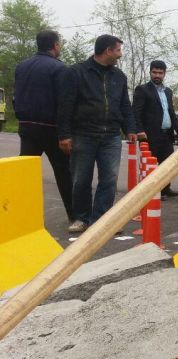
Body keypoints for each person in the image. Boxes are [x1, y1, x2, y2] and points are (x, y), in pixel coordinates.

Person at [57, 34, 137, 233]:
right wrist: (64, 134)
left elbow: (125, 105)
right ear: (108, 50)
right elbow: (65, 105)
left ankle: (101, 221)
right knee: (81, 179)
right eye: (118, 50)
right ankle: (82, 218)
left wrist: (130, 129)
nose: (120, 54)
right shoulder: (76, 72)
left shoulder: (119, 76)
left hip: (111, 135)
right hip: (83, 134)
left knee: (109, 179)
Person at [13, 30, 74, 222]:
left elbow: (17, 96)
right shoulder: (60, 68)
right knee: (64, 172)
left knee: (26, 172)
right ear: (55, 45)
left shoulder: (21, 66)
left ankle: (20, 215)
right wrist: (65, 133)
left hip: (26, 127)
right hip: (51, 128)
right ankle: (74, 215)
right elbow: (64, 104)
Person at [132, 60, 178, 198]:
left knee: (167, 164)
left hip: (166, 134)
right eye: (154, 72)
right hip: (149, 134)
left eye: (160, 73)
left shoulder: (168, 91)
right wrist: (139, 130)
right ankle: (152, 193)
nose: (157, 75)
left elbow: (171, 112)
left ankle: (165, 188)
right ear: (150, 72)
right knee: (152, 166)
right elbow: (136, 113)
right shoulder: (142, 90)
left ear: (164, 74)